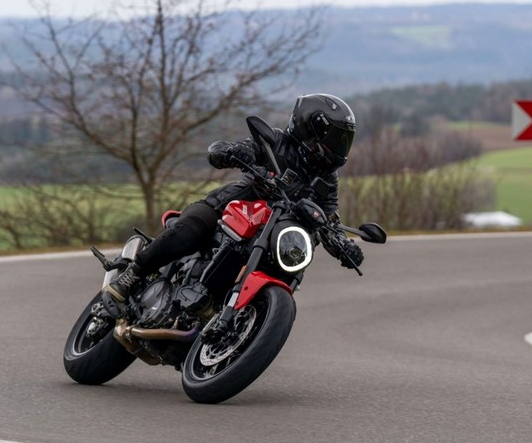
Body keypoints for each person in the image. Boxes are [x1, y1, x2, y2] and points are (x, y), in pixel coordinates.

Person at [100, 93, 364, 323]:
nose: (337, 148)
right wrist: (234, 152)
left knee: (290, 266)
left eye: (343, 141)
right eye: (334, 139)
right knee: (192, 227)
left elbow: (330, 216)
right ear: (309, 128)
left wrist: (343, 244)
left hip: (274, 236)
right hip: (229, 210)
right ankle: (133, 276)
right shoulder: (275, 143)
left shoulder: (326, 181)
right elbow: (219, 151)